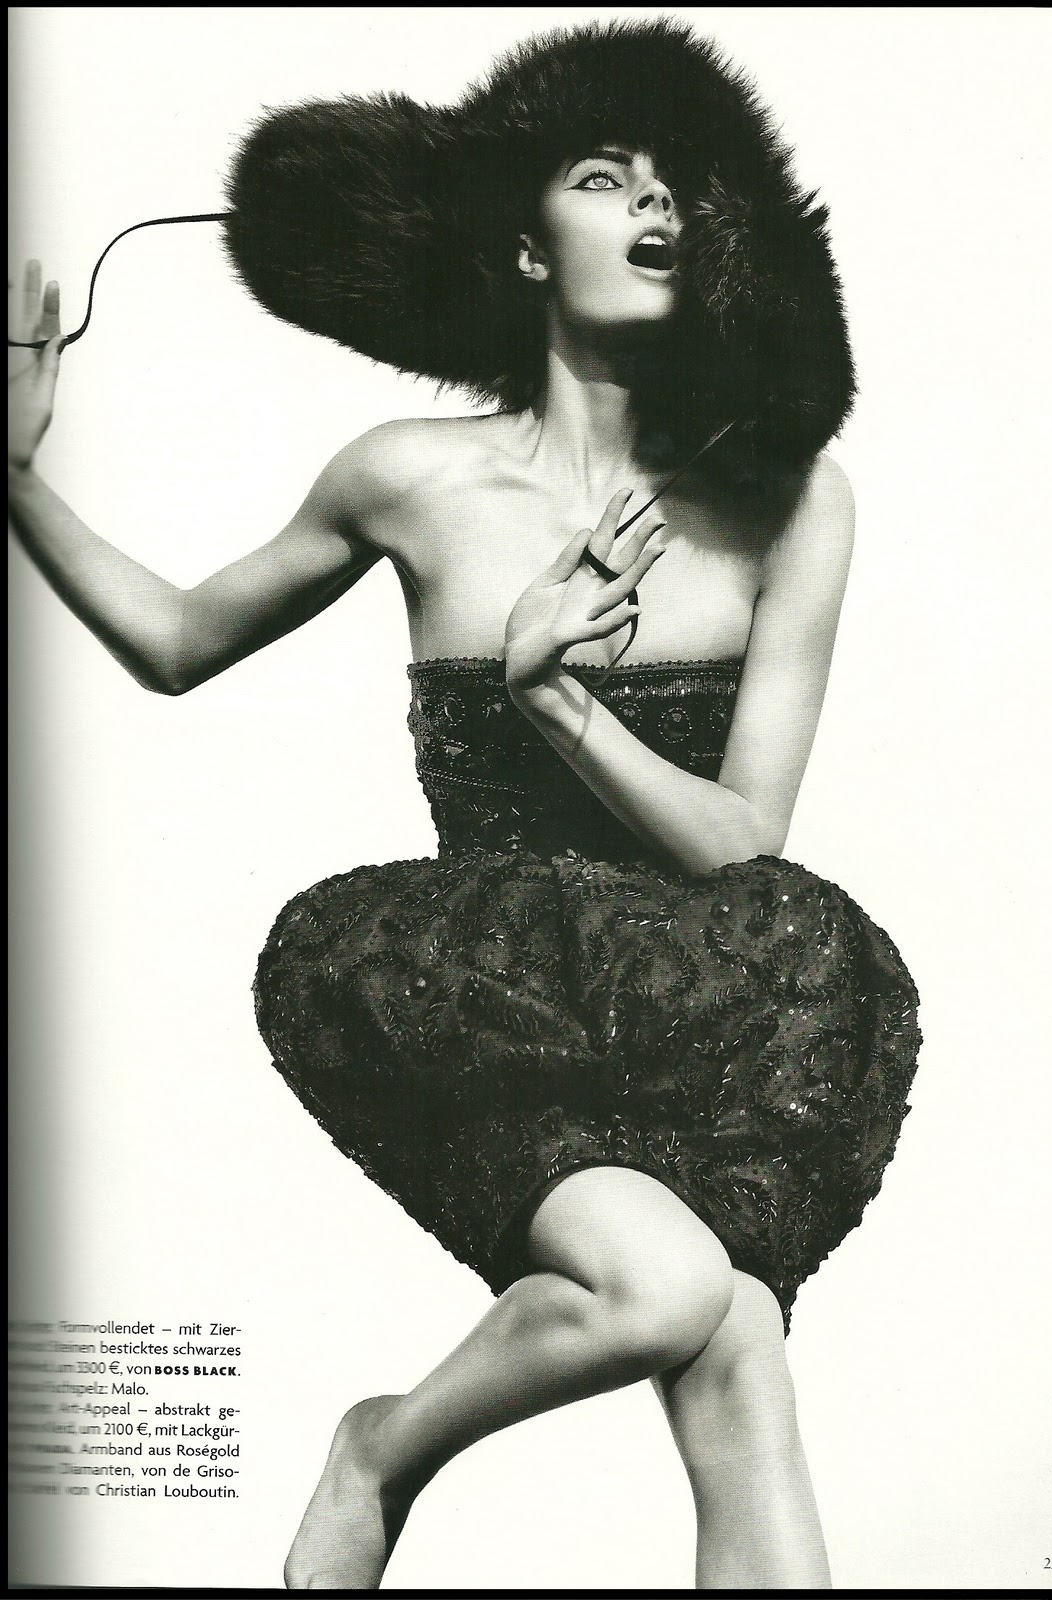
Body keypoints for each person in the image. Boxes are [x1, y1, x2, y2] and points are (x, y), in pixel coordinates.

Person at [8, 19, 920, 1592]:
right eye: (602, 175)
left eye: (676, 182)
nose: (654, 201)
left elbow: (739, 835)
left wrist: (555, 699)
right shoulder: (409, 475)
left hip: (724, 1001)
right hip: (491, 991)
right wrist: (15, 478)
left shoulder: (792, 499)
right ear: (522, 244)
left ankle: (385, 1449)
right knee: (660, 1294)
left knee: (740, 1372)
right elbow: (175, 643)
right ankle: (382, 1449)